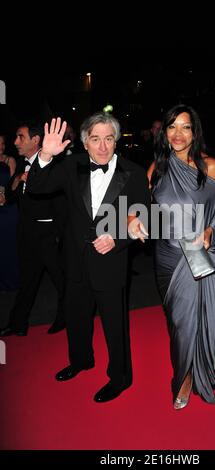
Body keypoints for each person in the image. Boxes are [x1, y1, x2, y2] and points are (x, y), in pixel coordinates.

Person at [26, 112, 150, 403]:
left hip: (110, 261)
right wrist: (45, 154)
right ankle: (81, 360)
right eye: (96, 139)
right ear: (85, 142)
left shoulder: (133, 172)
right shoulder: (72, 165)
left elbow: (145, 217)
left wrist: (117, 239)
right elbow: (35, 187)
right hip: (74, 259)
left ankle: (120, 377)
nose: (103, 147)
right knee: (76, 316)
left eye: (109, 139)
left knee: (114, 325)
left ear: (116, 140)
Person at [134, 104, 215, 409]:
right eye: (172, 127)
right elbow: (142, 206)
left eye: (185, 127)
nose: (178, 134)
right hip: (164, 256)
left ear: (195, 132)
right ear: (164, 132)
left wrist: (209, 232)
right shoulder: (158, 167)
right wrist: (131, 216)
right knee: (175, 321)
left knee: (183, 323)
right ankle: (187, 365)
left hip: (193, 254)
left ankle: (185, 378)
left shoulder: (211, 168)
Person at [0, 121, 65, 336]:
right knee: (27, 280)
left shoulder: (55, 164)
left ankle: (65, 318)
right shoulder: (21, 164)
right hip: (26, 233)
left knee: (61, 280)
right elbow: (9, 197)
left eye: (21, 137)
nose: (15, 142)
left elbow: (61, 203)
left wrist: (58, 234)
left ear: (35, 140)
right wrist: (18, 179)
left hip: (48, 235)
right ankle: (18, 324)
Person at [0, 134, 19, 291]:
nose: (1, 147)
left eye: (3, 144)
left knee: (9, 245)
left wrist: (5, 196)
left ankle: (11, 282)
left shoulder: (9, 160)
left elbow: (13, 186)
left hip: (7, 209)